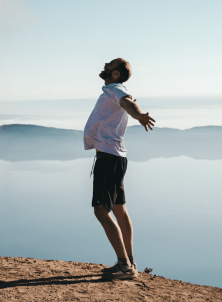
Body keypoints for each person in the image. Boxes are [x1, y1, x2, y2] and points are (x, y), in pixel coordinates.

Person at [84, 58, 155, 280]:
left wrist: (138, 115)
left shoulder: (115, 89)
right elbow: (126, 102)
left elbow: (128, 103)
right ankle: (129, 262)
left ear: (116, 74)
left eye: (110, 65)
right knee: (118, 208)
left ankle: (125, 266)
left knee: (101, 210)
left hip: (108, 157)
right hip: (115, 156)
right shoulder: (114, 89)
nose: (104, 65)